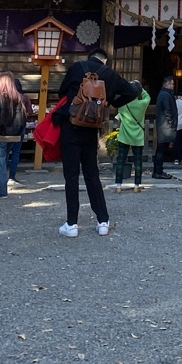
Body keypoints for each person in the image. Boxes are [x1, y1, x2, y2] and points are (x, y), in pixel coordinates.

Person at [53, 48, 138, 237]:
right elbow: (131, 92)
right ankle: (102, 221)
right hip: (91, 130)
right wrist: (111, 102)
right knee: (92, 175)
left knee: (71, 176)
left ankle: (72, 224)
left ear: (90, 57)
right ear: (104, 61)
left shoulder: (77, 68)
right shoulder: (111, 75)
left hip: (71, 126)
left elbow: (61, 93)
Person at [0, 72, 30, 198]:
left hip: (1, 134)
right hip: (15, 135)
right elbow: (23, 118)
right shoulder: (19, 98)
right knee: (1, 160)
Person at [114, 80, 149, 192]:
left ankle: (118, 186)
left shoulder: (123, 105)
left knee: (121, 160)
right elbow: (147, 96)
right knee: (138, 161)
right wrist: (139, 87)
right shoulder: (142, 104)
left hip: (124, 135)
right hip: (138, 136)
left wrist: (128, 88)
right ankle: (136, 185)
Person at [152, 76, 177, 179]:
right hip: (165, 126)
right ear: (167, 84)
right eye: (172, 84)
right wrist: (171, 123)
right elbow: (167, 110)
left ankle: (157, 170)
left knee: (161, 149)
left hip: (163, 125)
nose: (173, 86)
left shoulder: (163, 94)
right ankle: (158, 171)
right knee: (161, 150)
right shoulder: (166, 95)